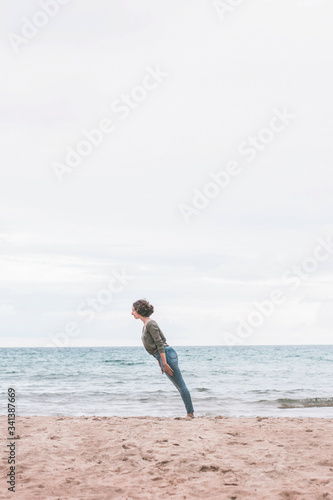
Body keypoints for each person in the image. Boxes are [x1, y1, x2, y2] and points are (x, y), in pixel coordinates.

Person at [132, 299, 195, 418]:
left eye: (133, 310)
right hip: (163, 356)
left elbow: (160, 343)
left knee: (181, 385)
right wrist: (160, 362)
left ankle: (190, 413)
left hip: (167, 354)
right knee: (179, 386)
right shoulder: (146, 324)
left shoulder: (151, 323)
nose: (132, 313)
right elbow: (155, 346)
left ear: (139, 310)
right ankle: (190, 412)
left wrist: (164, 362)